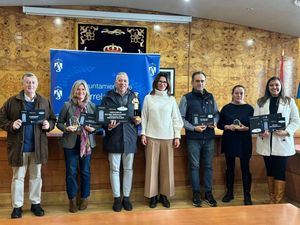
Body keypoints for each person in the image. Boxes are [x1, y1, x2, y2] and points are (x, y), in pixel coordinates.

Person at [0, 72, 56, 219]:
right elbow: (1, 119)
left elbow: (52, 119)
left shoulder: (44, 101)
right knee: (18, 178)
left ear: (37, 84)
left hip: (37, 148)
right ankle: (17, 206)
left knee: (36, 177)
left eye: (33, 82)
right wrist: (11, 124)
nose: (30, 85)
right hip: (19, 148)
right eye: (27, 82)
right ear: (23, 84)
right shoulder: (12, 101)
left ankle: (35, 204)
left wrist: (47, 124)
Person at [254, 76, 300, 204]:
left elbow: (296, 121)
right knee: (270, 170)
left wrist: (287, 131)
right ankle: (271, 198)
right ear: (268, 87)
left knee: (279, 171)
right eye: (271, 85)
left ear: (281, 87)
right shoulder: (261, 102)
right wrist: (261, 130)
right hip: (266, 142)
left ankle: (278, 201)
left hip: (282, 142)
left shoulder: (289, 101)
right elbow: (256, 120)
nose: (274, 87)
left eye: (277, 85)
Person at [141, 72, 183, 208]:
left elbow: (176, 119)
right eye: (160, 81)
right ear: (155, 83)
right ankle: (153, 196)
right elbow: (144, 117)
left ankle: (164, 195)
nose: (162, 84)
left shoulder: (171, 99)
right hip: (152, 136)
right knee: (151, 168)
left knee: (167, 169)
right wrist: (143, 134)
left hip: (168, 137)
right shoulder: (148, 98)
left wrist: (177, 136)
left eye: (164, 82)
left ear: (168, 84)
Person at [101, 72, 141, 212]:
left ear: (128, 83)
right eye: (120, 80)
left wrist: (138, 120)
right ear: (115, 82)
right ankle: (117, 198)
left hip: (130, 137)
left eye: (125, 81)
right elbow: (102, 118)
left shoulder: (135, 97)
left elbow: (139, 115)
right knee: (115, 169)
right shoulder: (107, 97)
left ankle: (127, 198)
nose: (122, 83)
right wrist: (108, 125)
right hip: (114, 138)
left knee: (129, 169)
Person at [179, 71, 219, 207]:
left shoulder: (211, 97)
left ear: (205, 82)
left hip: (209, 137)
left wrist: (214, 121)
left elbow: (216, 114)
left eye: (202, 81)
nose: (200, 83)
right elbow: (181, 118)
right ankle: (196, 193)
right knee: (194, 166)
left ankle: (208, 193)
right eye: (197, 81)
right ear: (192, 82)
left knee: (208, 166)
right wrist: (193, 128)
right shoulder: (186, 98)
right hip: (193, 138)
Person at [57, 80, 96, 213]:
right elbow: (59, 123)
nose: (81, 92)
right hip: (70, 143)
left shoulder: (91, 106)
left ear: (86, 92)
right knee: (71, 172)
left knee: (85, 171)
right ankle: (72, 200)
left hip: (87, 143)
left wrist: (93, 128)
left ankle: (84, 198)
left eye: (83, 90)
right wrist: (66, 128)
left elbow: (98, 125)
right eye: (78, 90)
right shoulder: (67, 105)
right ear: (74, 91)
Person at [217, 85, 254, 205]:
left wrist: (246, 128)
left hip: (244, 141)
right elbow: (219, 124)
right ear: (232, 94)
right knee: (230, 168)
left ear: (245, 95)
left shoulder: (250, 108)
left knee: (245, 169)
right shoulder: (226, 108)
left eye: (241, 93)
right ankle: (229, 193)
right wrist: (227, 126)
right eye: (236, 93)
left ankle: (247, 195)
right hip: (230, 140)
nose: (239, 95)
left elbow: (255, 126)